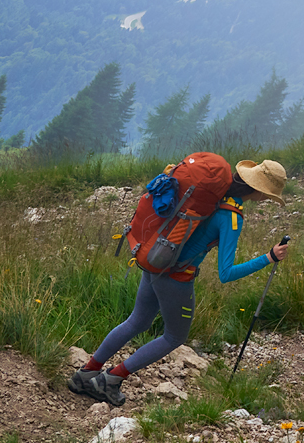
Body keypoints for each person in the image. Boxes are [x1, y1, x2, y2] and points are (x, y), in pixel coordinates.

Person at [68, 159, 290, 407]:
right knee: (174, 337)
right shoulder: (231, 216)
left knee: (136, 321)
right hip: (177, 278)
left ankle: (86, 373)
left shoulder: (212, 195)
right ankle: (110, 380)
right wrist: (268, 257)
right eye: (269, 195)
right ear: (258, 191)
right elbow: (226, 274)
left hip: (157, 261)